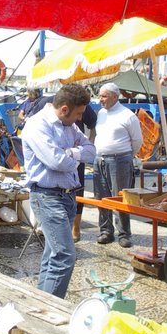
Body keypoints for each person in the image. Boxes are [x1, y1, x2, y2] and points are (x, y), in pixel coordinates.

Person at [21, 84, 96, 298]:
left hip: (68, 196)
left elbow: (91, 150)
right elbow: (56, 161)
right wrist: (74, 158)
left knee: (53, 255)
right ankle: (50, 311)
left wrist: (70, 152)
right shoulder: (38, 125)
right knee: (64, 257)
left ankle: (40, 304)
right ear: (64, 109)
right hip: (47, 197)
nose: (80, 118)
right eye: (79, 113)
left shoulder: (70, 126)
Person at [93, 82, 143, 249]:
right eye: (100, 96)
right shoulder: (101, 113)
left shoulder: (128, 115)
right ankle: (106, 231)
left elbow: (137, 141)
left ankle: (124, 234)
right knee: (102, 197)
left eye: (104, 96)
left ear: (115, 97)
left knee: (120, 198)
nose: (100, 99)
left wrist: (125, 155)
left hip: (119, 160)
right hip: (99, 159)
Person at [72, 100, 97, 243]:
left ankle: (76, 227)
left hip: (77, 155)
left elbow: (93, 122)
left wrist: (90, 141)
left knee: (78, 188)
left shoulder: (82, 105)